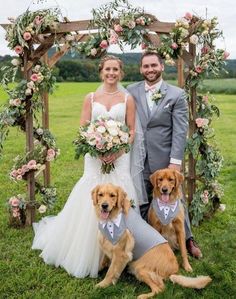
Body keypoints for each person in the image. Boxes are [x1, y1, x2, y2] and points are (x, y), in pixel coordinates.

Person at [32, 55, 143, 278]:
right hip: (94, 159)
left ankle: (121, 249)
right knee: (91, 195)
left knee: (120, 196)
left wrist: (118, 149)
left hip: (120, 158)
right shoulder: (90, 98)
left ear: (121, 73)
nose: (111, 73)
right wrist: (97, 148)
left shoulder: (127, 99)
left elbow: (131, 131)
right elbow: (83, 130)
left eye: (115, 70)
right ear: (101, 72)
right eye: (107, 69)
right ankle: (89, 252)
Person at [127, 51, 202, 259]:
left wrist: (175, 163)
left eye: (154, 65)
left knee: (177, 200)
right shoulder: (130, 91)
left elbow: (179, 131)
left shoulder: (176, 94)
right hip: (138, 159)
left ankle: (187, 239)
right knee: (141, 200)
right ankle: (145, 244)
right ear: (141, 69)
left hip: (165, 161)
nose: (150, 69)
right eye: (146, 66)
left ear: (162, 67)